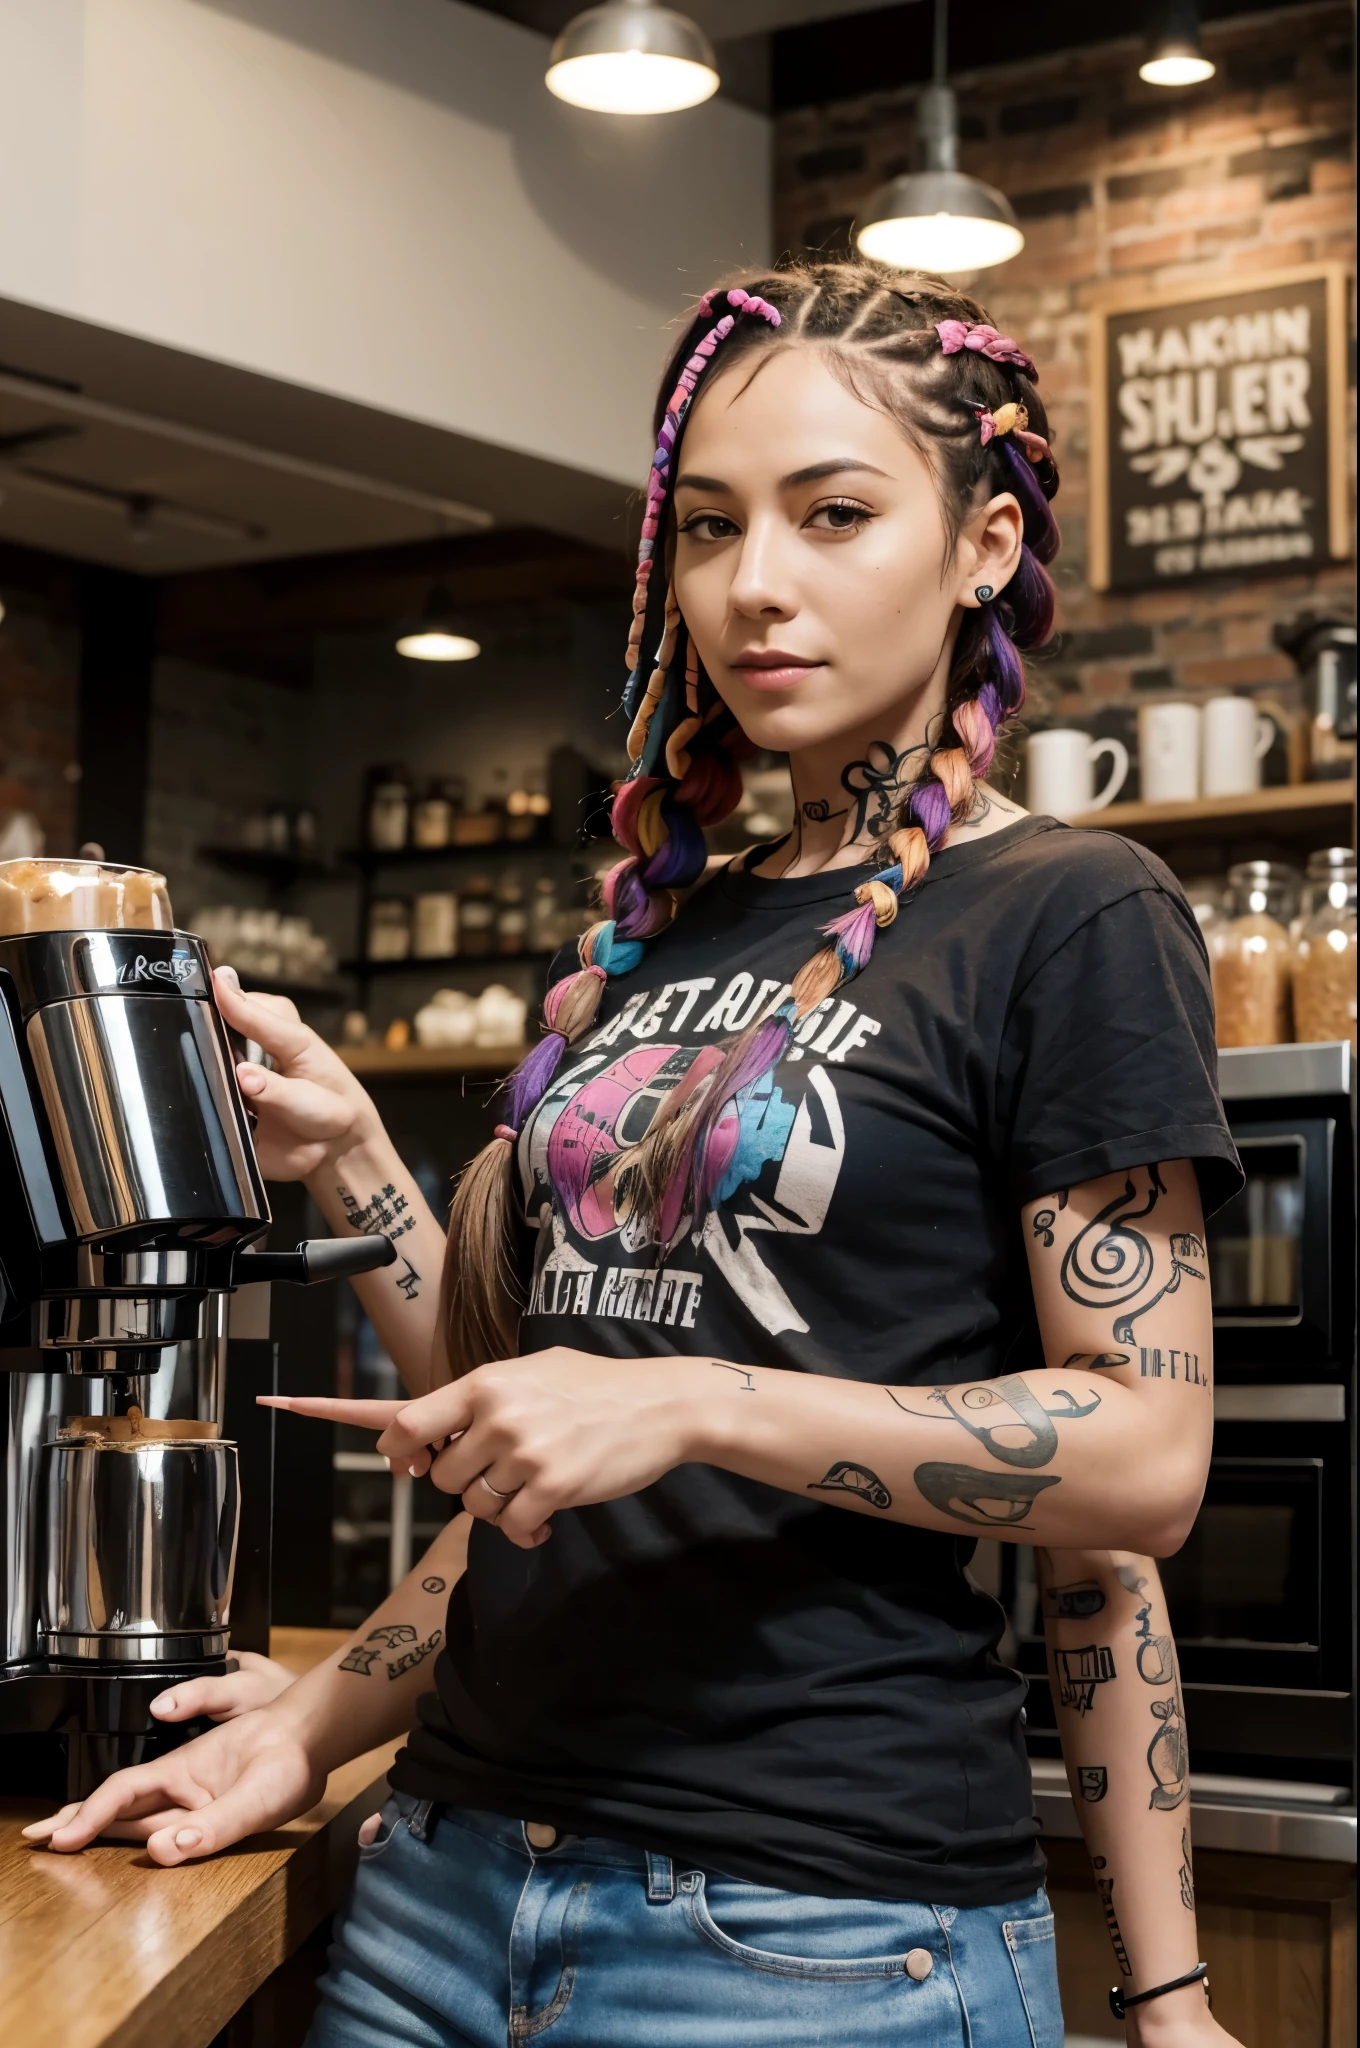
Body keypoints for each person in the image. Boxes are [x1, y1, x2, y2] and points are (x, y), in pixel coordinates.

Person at [26, 263, 1246, 2048]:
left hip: (810, 1931)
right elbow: (521, 1439)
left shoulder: (1068, 914)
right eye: (710, 528)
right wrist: (356, 1161)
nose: (756, 584)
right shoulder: (661, 934)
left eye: (835, 516)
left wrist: (1172, 1996)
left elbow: (1138, 1469)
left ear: (985, 543)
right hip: (440, 1885)